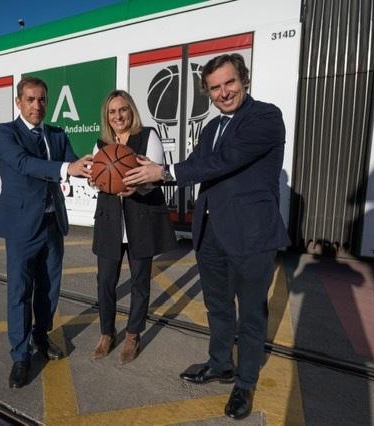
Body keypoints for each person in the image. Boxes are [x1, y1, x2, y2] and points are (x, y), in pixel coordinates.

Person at [123, 54, 290, 420]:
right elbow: (197, 165)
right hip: (211, 231)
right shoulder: (211, 128)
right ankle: (220, 364)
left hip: (251, 234)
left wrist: (164, 171)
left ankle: (244, 383)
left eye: (229, 83)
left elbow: (223, 161)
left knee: (250, 314)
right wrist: (139, 182)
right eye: (215, 87)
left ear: (244, 79)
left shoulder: (265, 117)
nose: (223, 92)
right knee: (217, 306)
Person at [0, 76, 93, 389]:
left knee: (49, 287)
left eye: (42, 100)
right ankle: (20, 356)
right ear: (19, 102)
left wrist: (102, 167)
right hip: (21, 226)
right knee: (20, 291)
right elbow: (23, 164)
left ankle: (40, 336)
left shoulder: (57, 134)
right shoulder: (5, 133)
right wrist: (65, 169)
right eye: (31, 100)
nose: (37, 106)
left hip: (51, 224)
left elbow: (76, 163)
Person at [90, 90, 176, 365]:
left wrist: (137, 186)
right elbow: (99, 180)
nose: (118, 116)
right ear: (107, 116)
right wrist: (97, 181)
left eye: (123, 110)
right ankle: (106, 333)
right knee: (105, 282)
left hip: (140, 220)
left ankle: (133, 335)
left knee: (140, 282)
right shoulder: (101, 144)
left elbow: (156, 176)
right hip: (109, 222)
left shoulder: (147, 136)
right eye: (112, 112)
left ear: (131, 111)